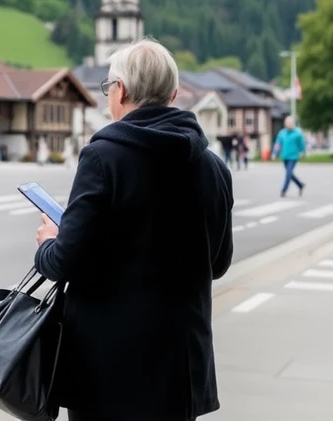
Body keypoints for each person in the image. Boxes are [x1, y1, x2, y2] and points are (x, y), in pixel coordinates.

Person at [33, 39, 234, 421]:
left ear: (120, 91)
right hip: (181, 368)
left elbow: (63, 261)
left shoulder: (102, 157)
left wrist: (48, 243)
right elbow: (219, 263)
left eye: (109, 88)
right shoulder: (212, 167)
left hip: (107, 370)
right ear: (173, 95)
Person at [273, 116, 306, 197]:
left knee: (288, 173)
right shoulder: (282, 133)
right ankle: (300, 185)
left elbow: (302, 144)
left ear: (293, 124)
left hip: (293, 157)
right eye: (287, 123)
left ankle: (283, 190)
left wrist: (302, 151)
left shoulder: (297, 133)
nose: (288, 125)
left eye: (290, 123)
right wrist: (274, 153)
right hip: (285, 156)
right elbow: (278, 144)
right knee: (290, 174)